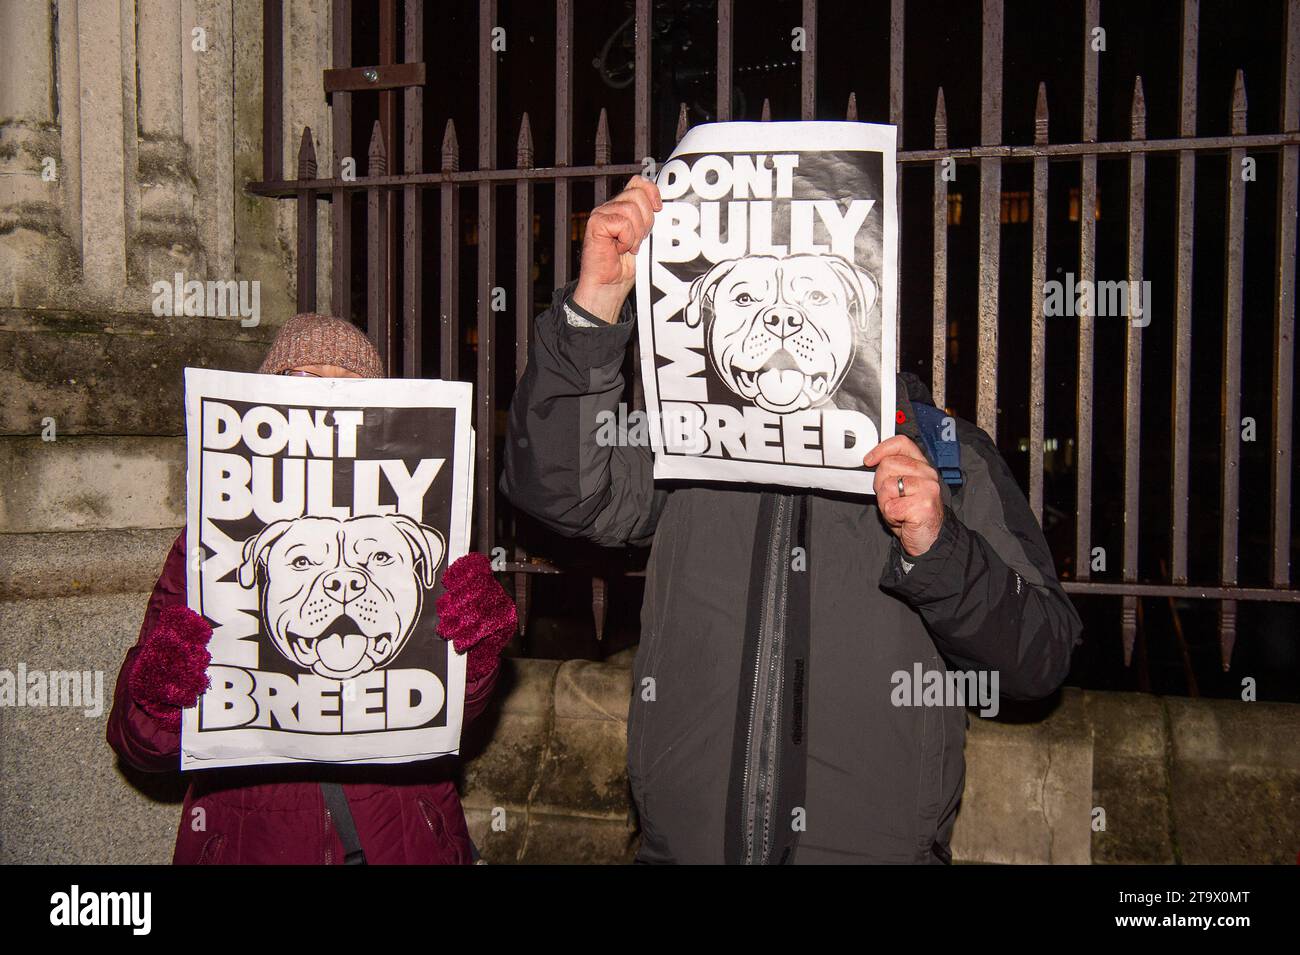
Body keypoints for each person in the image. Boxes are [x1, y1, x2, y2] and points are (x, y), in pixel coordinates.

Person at [502, 177, 1083, 864]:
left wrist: (941, 547)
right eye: (746, 296)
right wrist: (595, 304)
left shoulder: (946, 454)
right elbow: (557, 488)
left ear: (870, 301)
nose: (781, 318)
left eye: (814, 295)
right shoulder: (685, 441)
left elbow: (1040, 657)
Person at [107, 312, 516, 865]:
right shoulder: (209, 540)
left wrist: (480, 654)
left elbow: (457, 717)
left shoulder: (427, 525)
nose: (325, 396)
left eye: (347, 387)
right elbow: (141, 747)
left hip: (403, 841)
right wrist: (160, 689)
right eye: (301, 383)